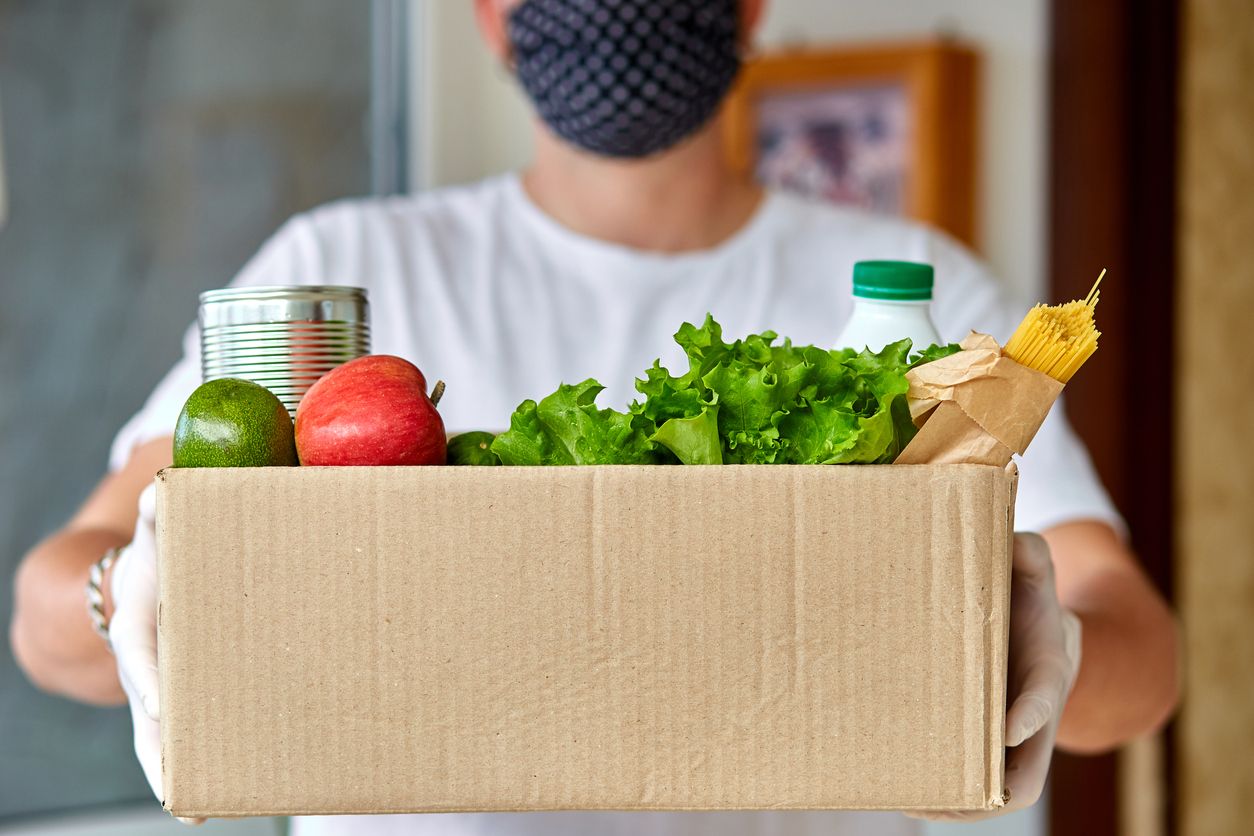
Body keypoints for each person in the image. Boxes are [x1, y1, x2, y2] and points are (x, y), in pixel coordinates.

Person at [10, 1, 1179, 834]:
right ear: (484, 16)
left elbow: (1142, 649)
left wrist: (1038, 645)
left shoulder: (909, 289)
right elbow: (43, 616)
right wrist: (143, 588)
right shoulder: (339, 275)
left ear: (752, 5)